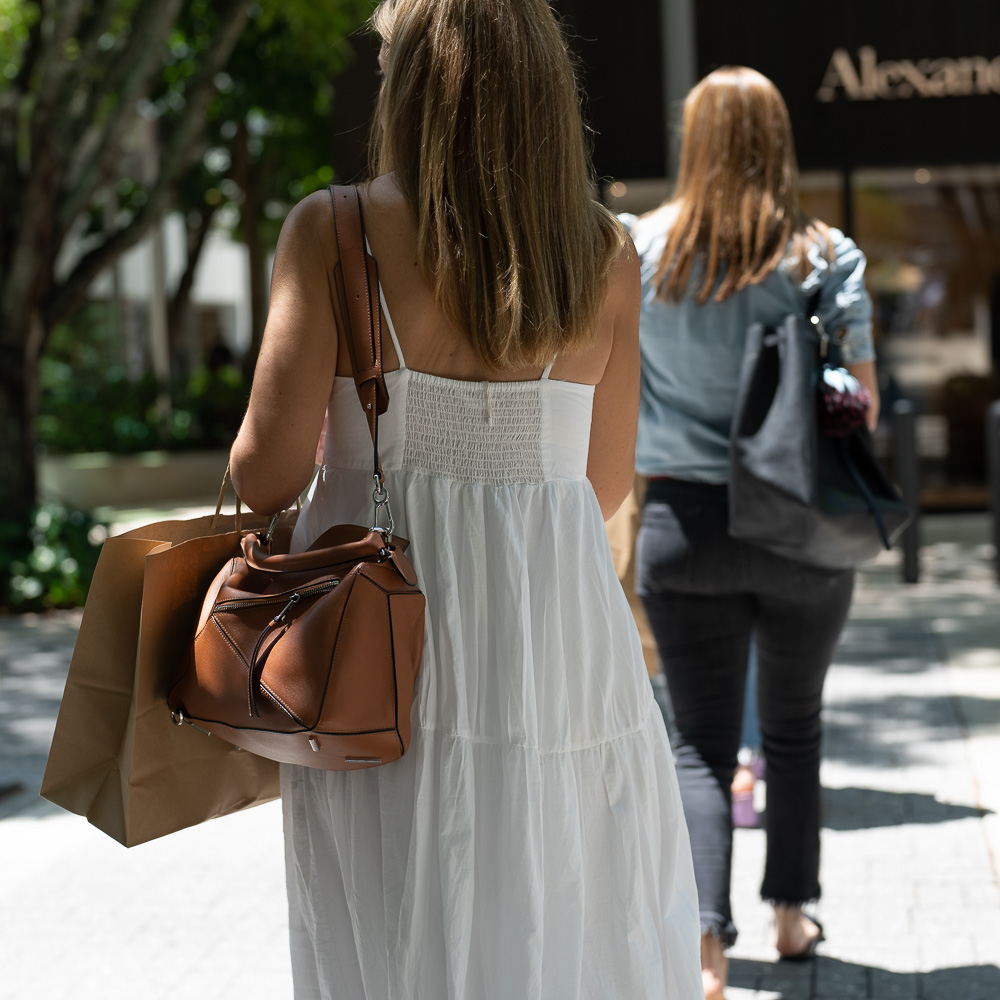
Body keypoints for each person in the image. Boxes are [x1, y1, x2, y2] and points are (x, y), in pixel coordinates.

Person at [229, 2, 702, 998]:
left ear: (410, 85)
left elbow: (261, 478)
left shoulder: (335, 230)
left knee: (398, 908)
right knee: (562, 891)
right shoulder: (605, 253)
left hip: (376, 654)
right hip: (556, 645)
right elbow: (603, 485)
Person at [622, 66, 878, 1000]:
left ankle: (705, 951)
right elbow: (865, 405)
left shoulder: (639, 251)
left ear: (694, 141)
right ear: (778, 141)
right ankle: (790, 915)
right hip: (801, 526)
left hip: (680, 524)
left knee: (698, 743)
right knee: (795, 730)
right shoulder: (825, 258)